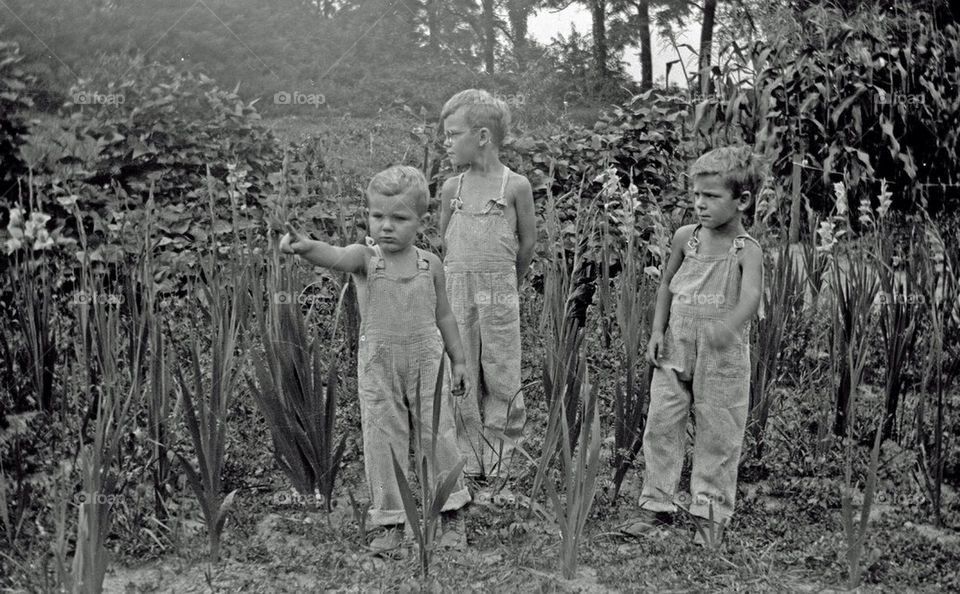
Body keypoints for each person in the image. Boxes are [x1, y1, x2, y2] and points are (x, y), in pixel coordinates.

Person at [280, 165, 471, 551]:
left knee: (440, 436)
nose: (386, 226)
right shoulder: (365, 258)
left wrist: (460, 360)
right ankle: (391, 519)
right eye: (377, 216)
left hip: (427, 363)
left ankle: (449, 513)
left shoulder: (429, 264)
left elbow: (445, 315)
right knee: (383, 438)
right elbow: (332, 255)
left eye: (399, 218)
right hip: (379, 365)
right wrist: (304, 248)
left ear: (421, 220)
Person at [621, 145, 765, 546]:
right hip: (675, 346)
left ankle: (711, 512)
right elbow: (667, 284)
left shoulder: (746, 250)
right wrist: (655, 331)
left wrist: (730, 325)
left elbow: (751, 297)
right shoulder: (687, 238)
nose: (700, 204)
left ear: (742, 201)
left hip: (722, 355)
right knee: (662, 423)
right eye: (696, 195)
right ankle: (656, 504)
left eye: (712, 197)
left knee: (719, 430)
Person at [438, 89, 536, 480]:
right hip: (457, 291)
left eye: (452, 134)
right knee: (459, 369)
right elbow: (444, 239)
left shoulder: (515, 186)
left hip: (499, 293)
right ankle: (465, 452)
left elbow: (527, 244)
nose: (446, 143)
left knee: (501, 369)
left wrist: (509, 284)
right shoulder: (451, 189)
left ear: (481, 136)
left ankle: (501, 459)